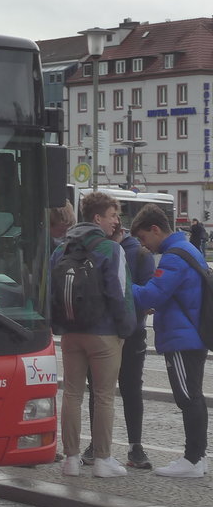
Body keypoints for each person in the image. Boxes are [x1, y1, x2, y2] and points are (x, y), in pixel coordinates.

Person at [50, 191, 136, 478]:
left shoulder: (60, 250)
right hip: (104, 334)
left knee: (72, 394)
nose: (116, 221)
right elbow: (120, 295)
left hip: (71, 334)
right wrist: (126, 330)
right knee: (104, 397)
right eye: (113, 215)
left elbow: (50, 291)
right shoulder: (112, 250)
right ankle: (103, 460)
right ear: (97, 218)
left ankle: (71, 460)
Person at [130, 203, 209, 478]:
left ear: (155, 229)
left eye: (143, 238)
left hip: (182, 337)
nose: (144, 246)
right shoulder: (188, 249)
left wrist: (119, 283)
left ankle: (193, 459)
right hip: (190, 334)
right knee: (192, 396)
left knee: (188, 398)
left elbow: (149, 296)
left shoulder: (174, 256)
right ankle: (197, 457)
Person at [81, 221, 155, 469]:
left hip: (129, 332)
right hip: (106, 332)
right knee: (101, 391)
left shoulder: (140, 255)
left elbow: (148, 295)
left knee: (129, 389)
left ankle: (134, 446)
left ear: (121, 234)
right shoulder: (99, 251)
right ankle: (99, 445)